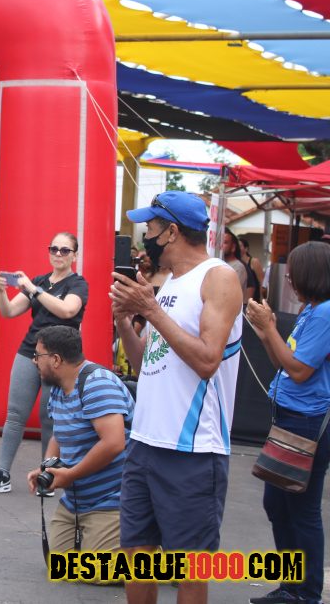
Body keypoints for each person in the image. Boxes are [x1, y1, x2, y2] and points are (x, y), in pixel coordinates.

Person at [112, 191, 242, 604]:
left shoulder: (218, 278)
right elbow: (146, 365)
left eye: (150, 227)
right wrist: (125, 323)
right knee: (136, 555)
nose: (145, 235)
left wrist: (151, 311)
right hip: (145, 442)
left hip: (193, 451)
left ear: (171, 232)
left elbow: (207, 361)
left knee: (189, 568)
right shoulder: (168, 284)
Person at [244, 242, 330, 604]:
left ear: (311, 274)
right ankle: (291, 585)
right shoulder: (312, 310)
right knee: (278, 504)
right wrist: (266, 331)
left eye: (293, 273)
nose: (289, 279)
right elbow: (284, 361)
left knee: (300, 507)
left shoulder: (325, 313)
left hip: (309, 421)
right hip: (292, 417)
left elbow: (297, 370)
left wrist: (269, 329)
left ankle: (305, 593)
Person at [0, 232, 89, 495]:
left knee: (50, 417)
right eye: (54, 249)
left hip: (60, 358)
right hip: (30, 351)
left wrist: (33, 290)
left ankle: (47, 476)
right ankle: (2, 474)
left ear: (74, 255)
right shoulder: (39, 281)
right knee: (15, 414)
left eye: (65, 250)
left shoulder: (77, 283)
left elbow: (68, 310)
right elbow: (8, 311)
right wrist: (1, 291)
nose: (58, 254)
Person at [26, 326, 133, 557]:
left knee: (101, 571)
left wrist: (71, 475)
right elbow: (59, 434)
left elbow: (114, 443)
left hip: (113, 498)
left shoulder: (97, 384)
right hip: (76, 500)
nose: (34, 361)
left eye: (38, 355)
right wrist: (47, 469)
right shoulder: (59, 388)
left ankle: (151, 545)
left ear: (55, 360)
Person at [222, 227, 254, 302]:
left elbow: (228, 293)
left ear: (233, 247)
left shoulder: (238, 267)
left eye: (225, 242)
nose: (221, 245)